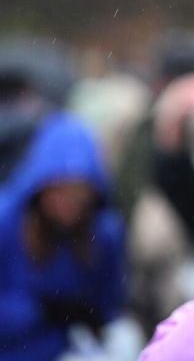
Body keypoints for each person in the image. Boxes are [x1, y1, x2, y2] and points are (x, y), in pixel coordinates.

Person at [0, 112, 127, 361]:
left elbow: (111, 304)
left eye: (80, 194)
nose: (69, 204)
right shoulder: (7, 223)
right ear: (39, 187)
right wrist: (40, 310)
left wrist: (90, 317)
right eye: (60, 191)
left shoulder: (103, 233)